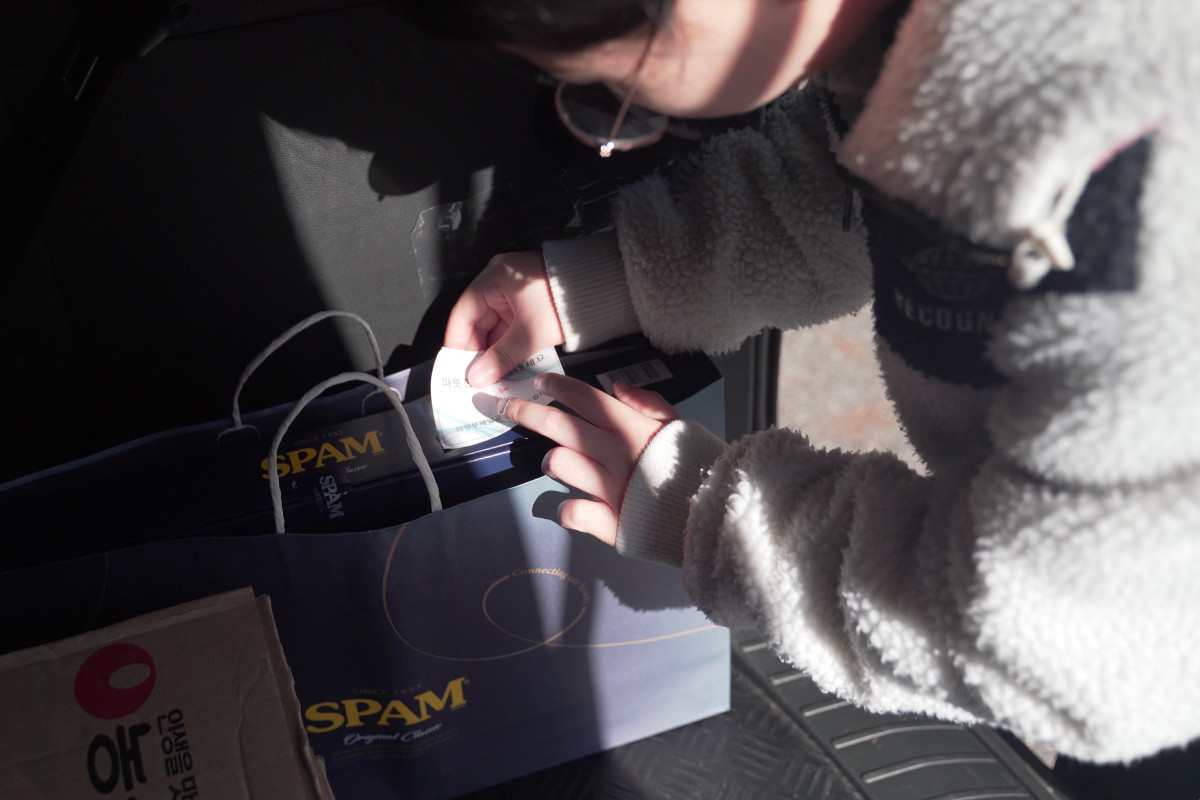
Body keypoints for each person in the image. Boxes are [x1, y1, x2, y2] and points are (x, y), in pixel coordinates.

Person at [394, 0, 1200, 777]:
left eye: (615, 95)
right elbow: (852, 172)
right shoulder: (922, 34)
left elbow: (1087, 640)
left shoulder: (1136, 174)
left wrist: (713, 519)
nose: (611, 119)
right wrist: (613, 281)